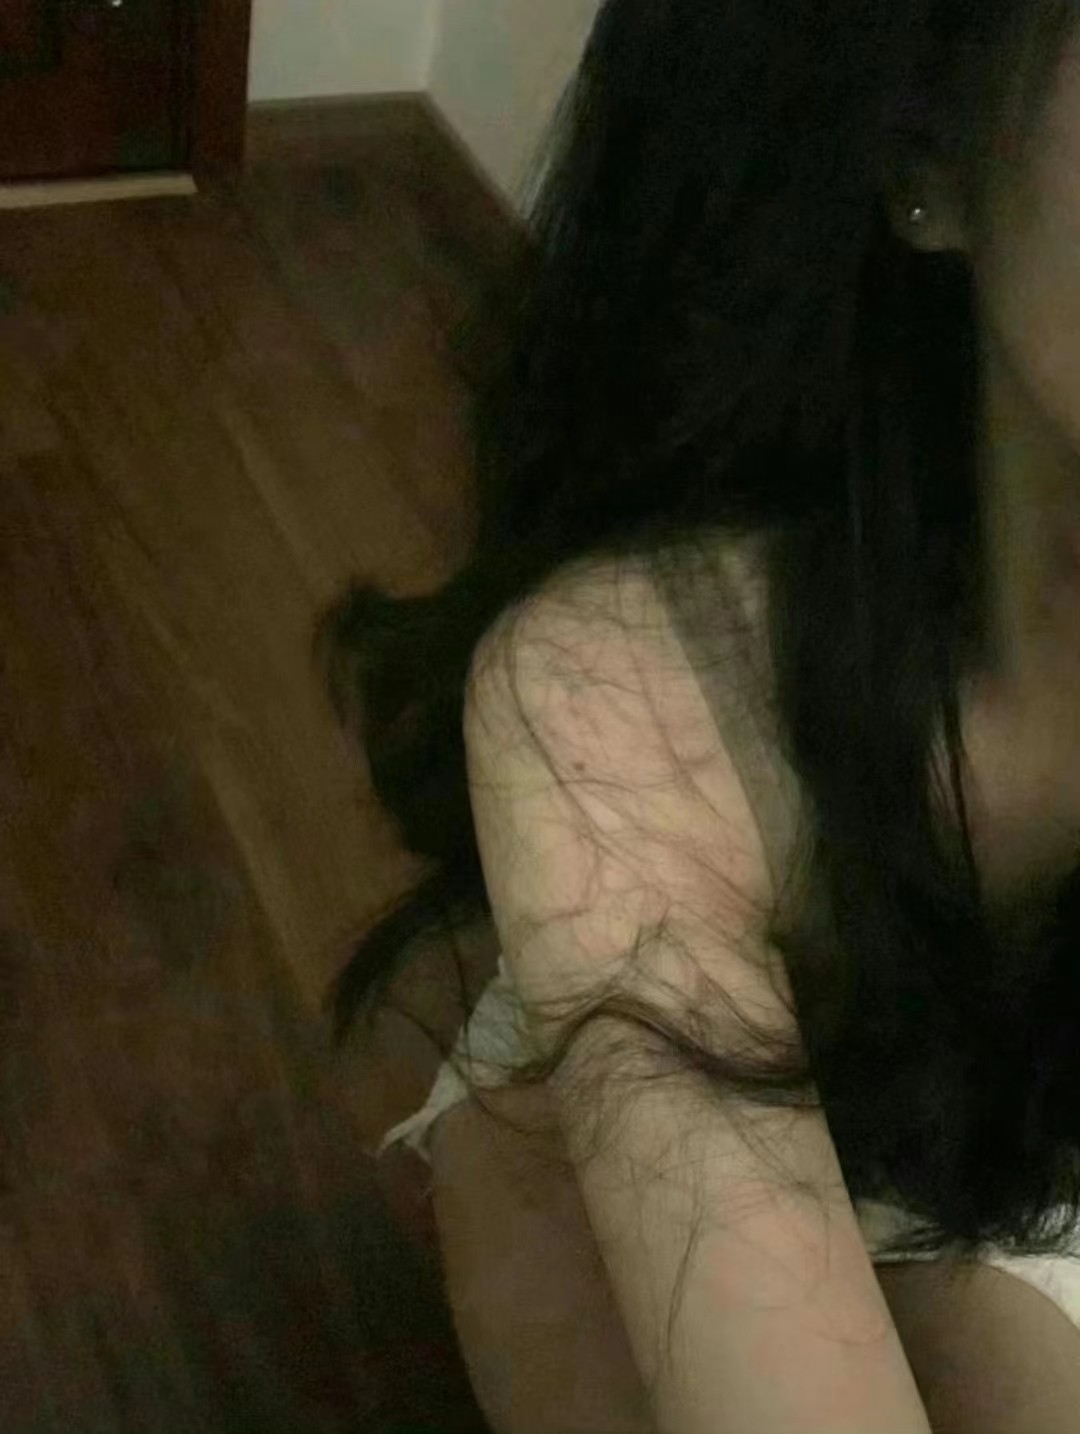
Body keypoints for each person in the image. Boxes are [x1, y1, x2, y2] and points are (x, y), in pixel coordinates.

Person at [321, 2, 1080, 1430]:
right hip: (632, 1090)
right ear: (931, 154)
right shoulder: (640, 690)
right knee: (557, 1203)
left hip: (1020, 1145)